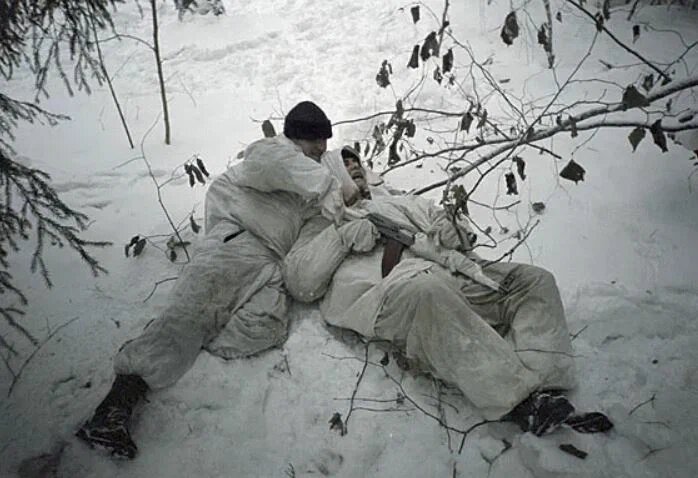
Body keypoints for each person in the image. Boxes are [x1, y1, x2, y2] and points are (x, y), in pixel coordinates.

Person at [77, 101, 348, 459]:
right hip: (234, 244)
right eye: (317, 142)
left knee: (265, 326)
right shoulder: (272, 153)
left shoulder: (307, 185)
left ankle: (185, 338)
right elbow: (278, 167)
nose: (321, 150)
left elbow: (310, 231)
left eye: (325, 145)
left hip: (269, 263)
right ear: (298, 136)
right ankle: (113, 411)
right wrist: (329, 185)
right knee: (189, 318)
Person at [283, 147, 613, 436]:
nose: (356, 171)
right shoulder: (321, 223)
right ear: (329, 178)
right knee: (428, 288)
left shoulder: (403, 202)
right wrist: (341, 237)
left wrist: (454, 231)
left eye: (358, 165)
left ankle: (548, 387)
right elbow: (301, 283)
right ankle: (521, 402)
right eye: (346, 168)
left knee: (533, 280)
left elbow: (454, 229)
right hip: (392, 294)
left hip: (450, 277)